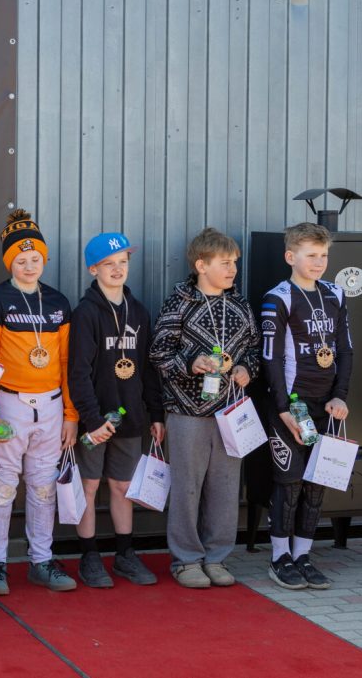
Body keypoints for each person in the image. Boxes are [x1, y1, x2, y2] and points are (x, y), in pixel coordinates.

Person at [0, 210, 79, 595]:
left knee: (43, 486)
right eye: (21, 260)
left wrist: (71, 415)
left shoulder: (58, 302)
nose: (29, 266)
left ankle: (41, 561)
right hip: (8, 404)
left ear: (44, 259)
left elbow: (67, 364)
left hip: (50, 407)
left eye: (35, 259)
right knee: (1, 486)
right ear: (9, 263)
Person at [149, 228, 260, 588]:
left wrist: (246, 369)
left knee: (226, 488)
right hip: (187, 413)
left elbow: (254, 350)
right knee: (187, 488)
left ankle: (216, 557)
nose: (232, 270)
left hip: (231, 412)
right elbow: (158, 353)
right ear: (201, 265)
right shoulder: (179, 303)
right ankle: (186, 560)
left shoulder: (240, 305)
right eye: (224, 263)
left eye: (234, 263)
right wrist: (190, 363)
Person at [67, 232, 165, 588]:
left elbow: (148, 369)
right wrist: (92, 421)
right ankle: (89, 556)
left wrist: (156, 414)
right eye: (108, 264)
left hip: (131, 418)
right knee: (89, 486)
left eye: (123, 262)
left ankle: (124, 554)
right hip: (95, 421)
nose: (117, 269)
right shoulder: (86, 313)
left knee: (123, 486)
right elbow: (78, 373)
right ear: (93, 269)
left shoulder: (138, 311)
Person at [261, 222, 352, 590]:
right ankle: (279, 557)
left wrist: (340, 395)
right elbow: (270, 358)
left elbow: (345, 350)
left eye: (323, 255)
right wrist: (283, 408)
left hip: (325, 406)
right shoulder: (278, 297)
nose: (319, 262)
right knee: (289, 482)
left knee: (317, 483)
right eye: (311, 255)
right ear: (290, 256)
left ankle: (303, 555)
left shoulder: (336, 294)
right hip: (290, 407)